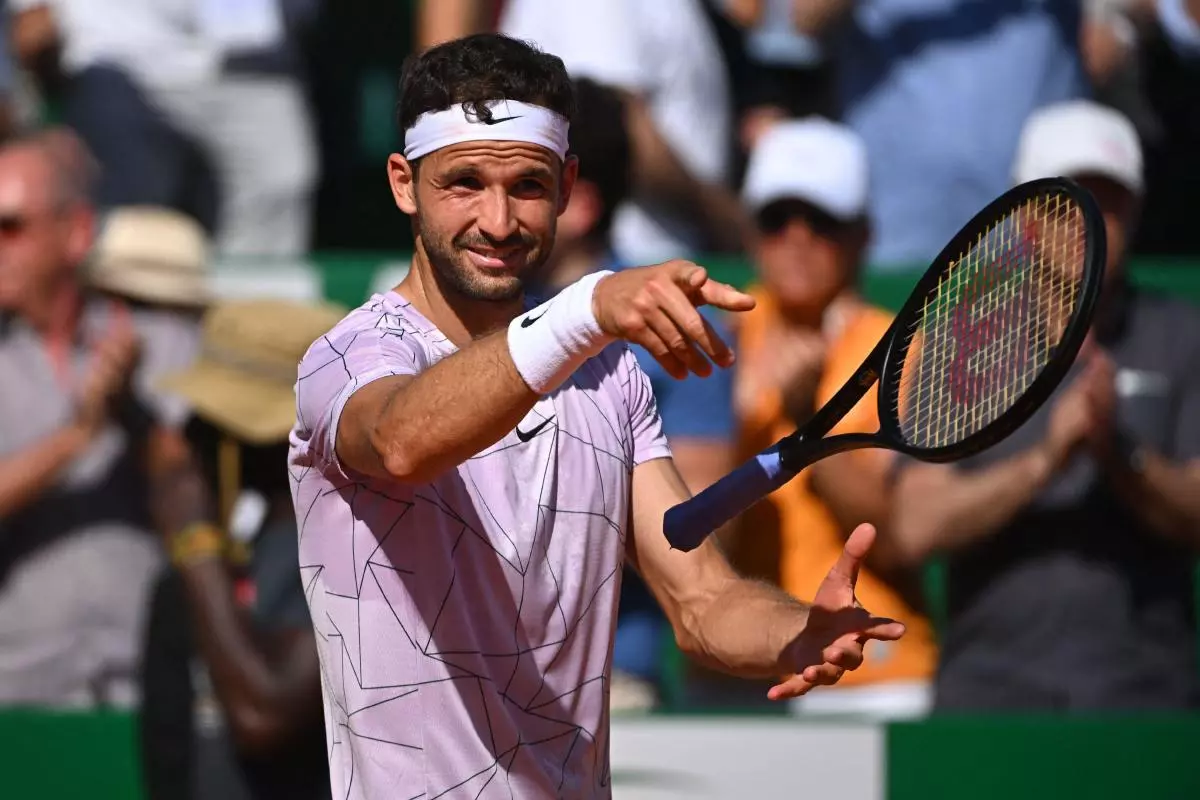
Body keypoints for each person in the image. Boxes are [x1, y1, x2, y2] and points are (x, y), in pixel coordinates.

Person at [289, 33, 905, 799]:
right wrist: (587, 308)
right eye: (465, 183)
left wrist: (797, 632)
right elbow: (400, 440)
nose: (498, 220)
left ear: (568, 186)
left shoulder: (610, 378)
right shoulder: (349, 357)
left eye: (528, 185)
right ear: (403, 184)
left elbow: (703, 601)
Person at [890, 100, 1200, 711]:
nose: (1089, 223)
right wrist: (1044, 462)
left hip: (1149, 697)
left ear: (1136, 212)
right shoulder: (959, 340)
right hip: (991, 696)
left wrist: (1119, 454)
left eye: (1109, 201)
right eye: (1068, 203)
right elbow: (914, 524)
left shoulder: (1182, 336)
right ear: (1025, 216)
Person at [529, 77, 739, 712]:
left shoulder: (676, 323)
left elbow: (698, 530)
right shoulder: (469, 314)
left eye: (527, 186)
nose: (495, 214)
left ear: (579, 202)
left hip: (612, 685)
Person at [731, 118, 938, 720]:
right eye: (777, 219)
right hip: (739, 671)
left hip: (870, 675)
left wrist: (809, 424)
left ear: (862, 235)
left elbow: (892, 538)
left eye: (822, 222)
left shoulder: (904, 353)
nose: (797, 238)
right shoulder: (717, 338)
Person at [0, 130, 196, 707]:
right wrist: (79, 436)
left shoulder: (163, 345)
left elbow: (206, 497)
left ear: (76, 233)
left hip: (145, 679)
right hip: (18, 690)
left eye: (10, 227)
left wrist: (131, 413)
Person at [139, 299, 339, 800]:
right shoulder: (253, 548)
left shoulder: (338, 552)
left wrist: (195, 542)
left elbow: (263, 715)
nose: (188, 435)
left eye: (209, 420)